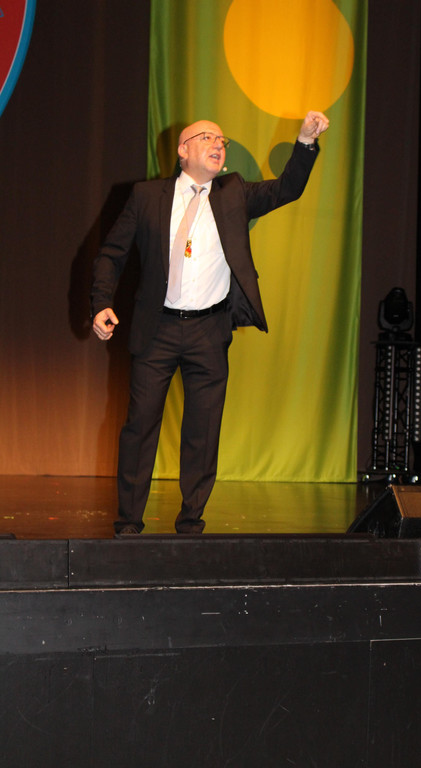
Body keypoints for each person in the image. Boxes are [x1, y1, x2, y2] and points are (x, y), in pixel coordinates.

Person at [91, 110, 329, 535]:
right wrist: (100, 303)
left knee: (203, 431)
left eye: (223, 141)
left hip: (209, 330)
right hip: (157, 329)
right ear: (183, 150)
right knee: (140, 426)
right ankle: (128, 524)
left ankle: (190, 523)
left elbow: (287, 188)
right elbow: (112, 253)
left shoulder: (234, 192)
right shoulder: (147, 196)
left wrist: (306, 142)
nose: (218, 145)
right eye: (207, 138)